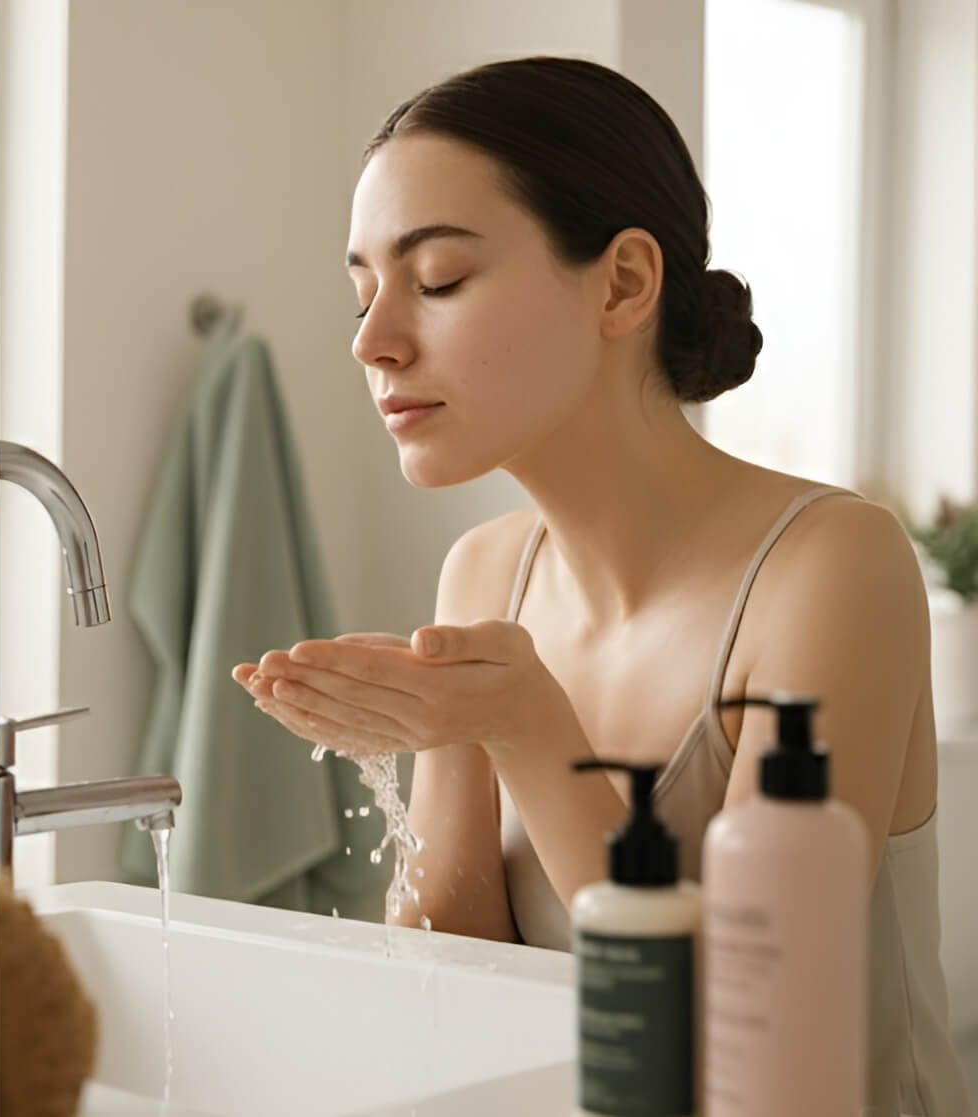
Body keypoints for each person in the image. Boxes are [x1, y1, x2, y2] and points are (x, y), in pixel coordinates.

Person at [237, 57, 967, 1116]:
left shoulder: (832, 566)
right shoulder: (482, 574)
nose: (371, 342)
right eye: (362, 294)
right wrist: (462, 731)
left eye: (435, 279)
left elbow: (746, 1042)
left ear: (623, 283)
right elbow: (453, 981)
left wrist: (523, 726)